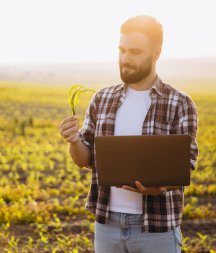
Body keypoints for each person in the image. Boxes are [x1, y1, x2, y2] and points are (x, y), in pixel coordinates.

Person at [59, 15, 199, 253]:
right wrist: (73, 141)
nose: (124, 59)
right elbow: (85, 159)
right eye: (121, 50)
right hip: (107, 224)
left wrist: (160, 187)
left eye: (134, 52)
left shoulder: (180, 103)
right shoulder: (102, 99)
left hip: (157, 229)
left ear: (156, 53)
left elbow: (185, 165)